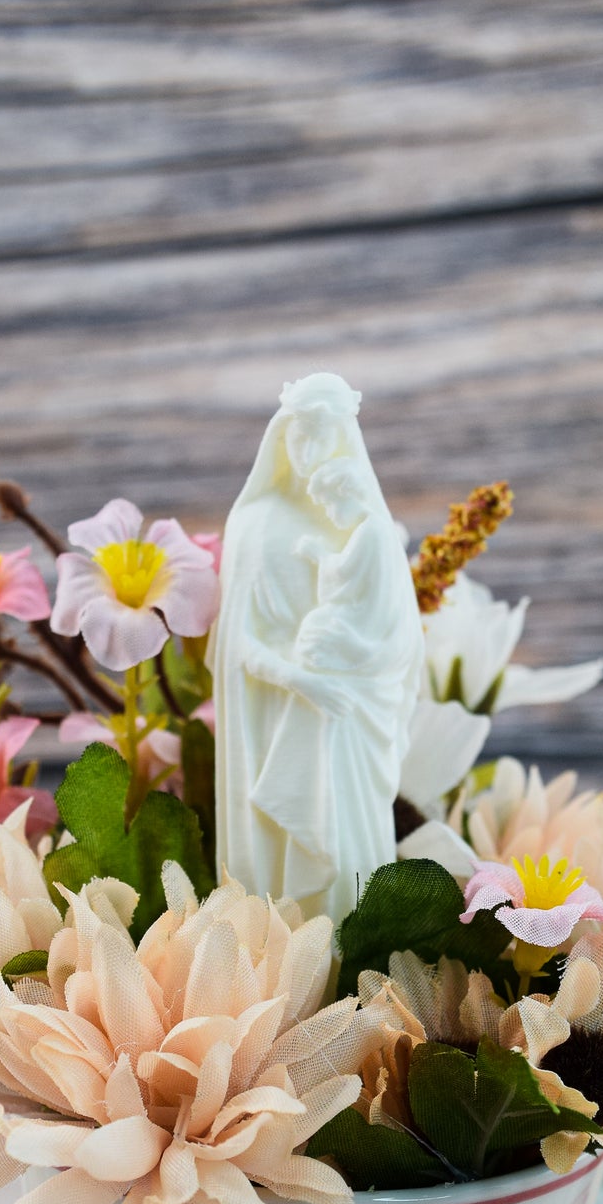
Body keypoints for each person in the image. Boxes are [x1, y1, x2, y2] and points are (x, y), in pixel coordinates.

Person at [210, 374, 421, 921]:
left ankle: (354, 962)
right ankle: (278, 962)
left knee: (345, 856)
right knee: (282, 872)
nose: (309, 454)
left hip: (348, 719)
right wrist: (302, 680)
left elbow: (399, 637)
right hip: (279, 715)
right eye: (298, 436)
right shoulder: (255, 522)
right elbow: (237, 647)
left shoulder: (365, 527)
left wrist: (353, 663)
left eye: (322, 437)